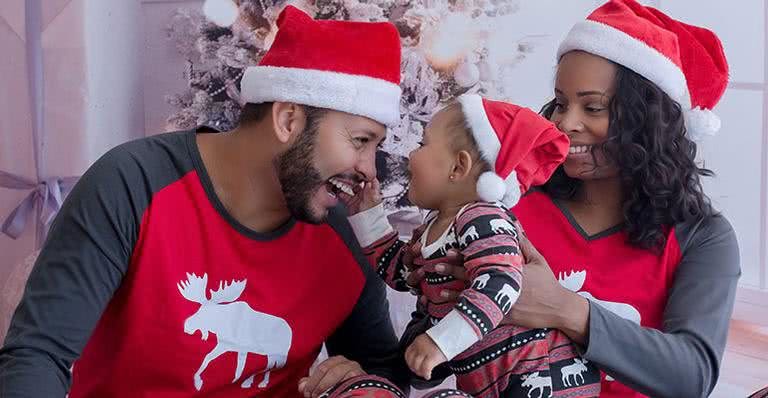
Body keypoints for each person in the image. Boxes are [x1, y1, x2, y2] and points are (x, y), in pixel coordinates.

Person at [0, 6, 410, 398]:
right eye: (359, 141)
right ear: (288, 121)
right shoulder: (131, 185)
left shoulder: (345, 236)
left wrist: (363, 383)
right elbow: (38, 356)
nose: (368, 170)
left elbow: (383, 368)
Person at [402, 1, 740, 397]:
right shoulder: (506, 203)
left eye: (592, 107)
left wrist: (563, 308)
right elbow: (423, 350)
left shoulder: (703, 236)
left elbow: (692, 376)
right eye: (561, 103)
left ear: (648, 122)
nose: (565, 122)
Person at [344, 95, 600, 397]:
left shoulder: (482, 218)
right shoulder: (434, 228)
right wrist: (368, 217)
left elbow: (501, 283)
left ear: (458, 166)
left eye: (422, 144)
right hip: (493, 384)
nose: (410, 155)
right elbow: (400, 273)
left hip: (542, 376)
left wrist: (442, 341)